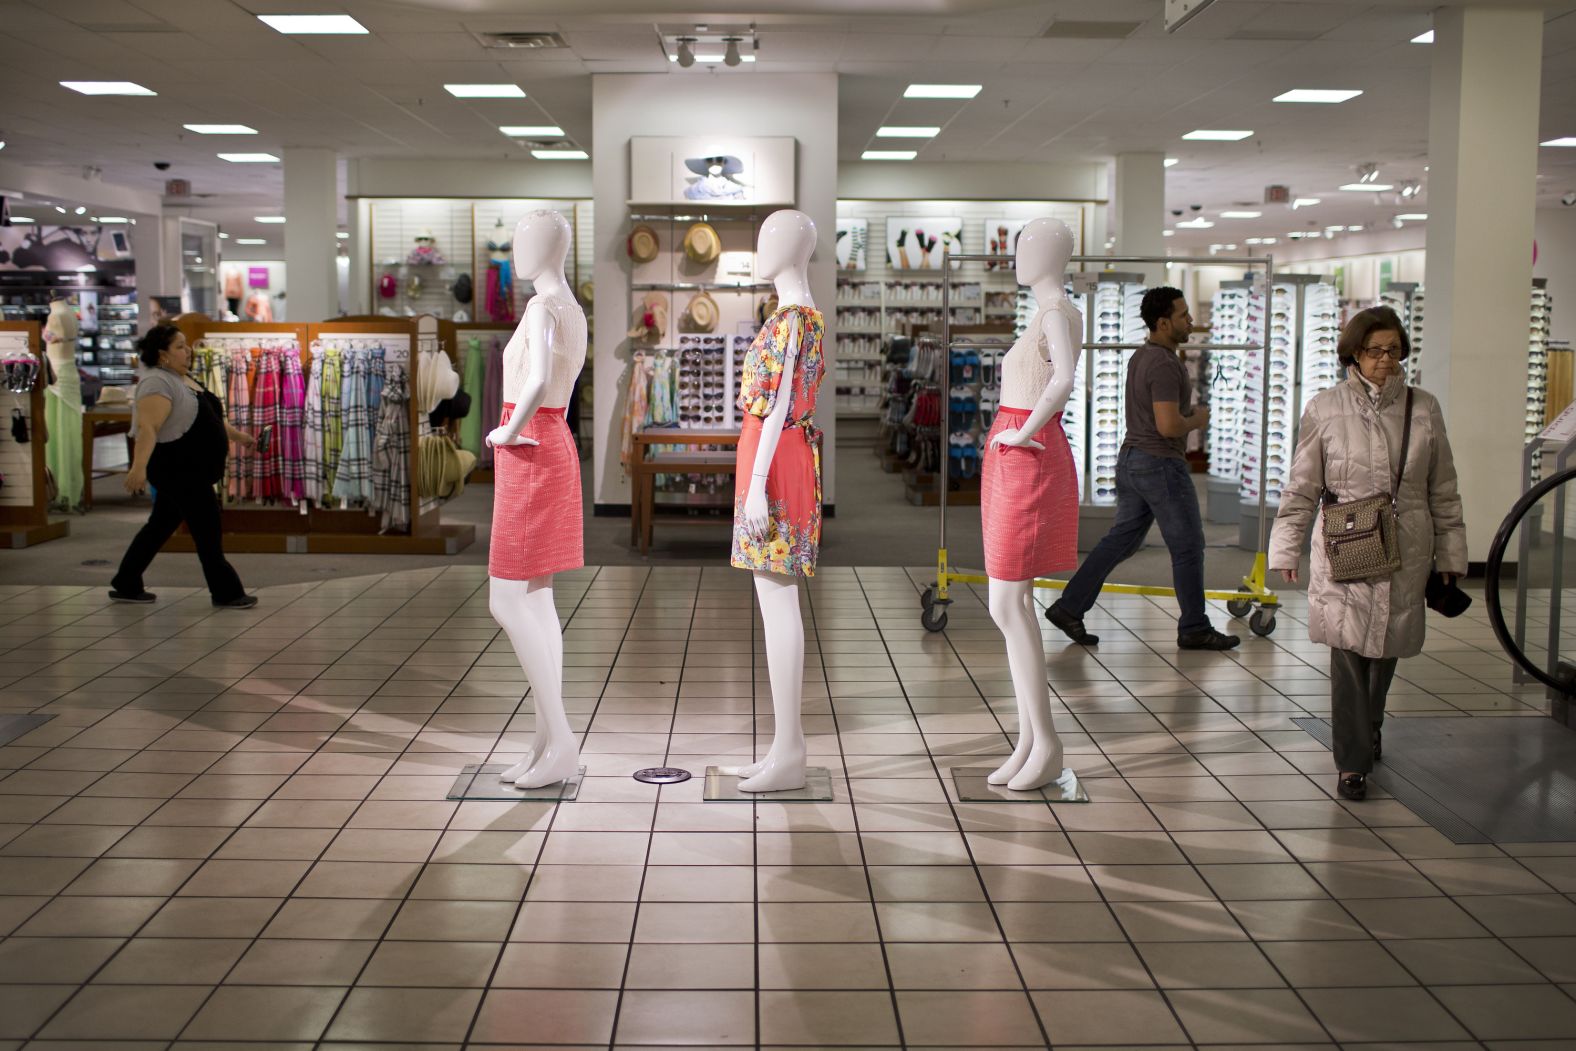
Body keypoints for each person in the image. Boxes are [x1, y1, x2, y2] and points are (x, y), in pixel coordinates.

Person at [1268, 306, 1465, 801]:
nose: (1385, 360)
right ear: (1354, 352)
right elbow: (1302, 486)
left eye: (1394, 351)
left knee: (1387, 646)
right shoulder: (1325, 408)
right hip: (1345, 541)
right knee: (1349, 650)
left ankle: (1370, 726)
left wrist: (1451, 556)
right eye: (1375, 350)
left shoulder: (1424, 408)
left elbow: (1443, 488)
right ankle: (1352, 758)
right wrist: (1285, 546)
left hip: (1406, 544)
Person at [1046, 286, 1239, 650]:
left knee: (1122, 541)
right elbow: (1168, 426)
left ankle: (1069, 606)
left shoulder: (1141, 357)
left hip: (1133, 459)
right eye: (1184, 315)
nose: (1191, 321)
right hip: (1160, 463)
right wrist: (1197, 420)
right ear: (1164, 322)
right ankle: (1194, 626)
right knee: (1188, 546)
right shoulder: (1165, 364)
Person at [109, 323, 258, 609]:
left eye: (185, 344)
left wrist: (239, 437)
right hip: (178, 470)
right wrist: (138, 468)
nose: (187, 350)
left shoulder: (182, 378)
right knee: (207, 527)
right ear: (162, 354)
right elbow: (148, 428)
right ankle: (226, 591)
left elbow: (210, 419)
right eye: (179, 346)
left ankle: (126, 582)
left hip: (188, 470)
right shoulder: (156, 382)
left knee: (159, 527)